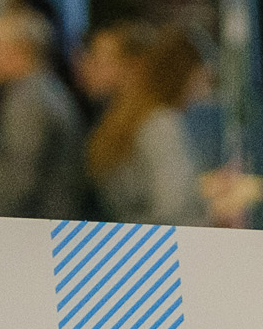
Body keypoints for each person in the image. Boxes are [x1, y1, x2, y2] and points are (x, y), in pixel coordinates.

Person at [0, 7, 87, 221]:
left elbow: (18, 175)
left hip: (29, 227)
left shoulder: (29, 99)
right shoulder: (44, 90)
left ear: (18, 49)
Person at [87, 25, 210, 226]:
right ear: (186, 75)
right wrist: (213, 214)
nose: (205, 88)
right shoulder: (161, 124)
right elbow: (173, 209)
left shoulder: (126, 116)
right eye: (203, 75)